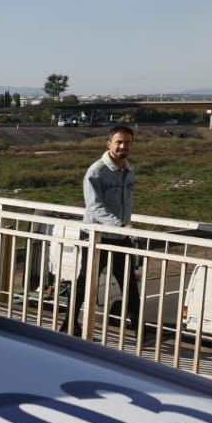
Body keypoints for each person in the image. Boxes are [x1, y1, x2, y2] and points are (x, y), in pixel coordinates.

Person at [73, 125, 139, 331]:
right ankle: (69, 324)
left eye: (127, 142)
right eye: (118, 142)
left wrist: (123, 228)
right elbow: (94, 207)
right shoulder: (96, 171)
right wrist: (120, 225)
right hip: (96, 235)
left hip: (120, 236)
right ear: (109, 143)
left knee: (129, 284)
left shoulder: (129, 170)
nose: (122, 146)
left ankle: (140, 329)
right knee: (86, 283)